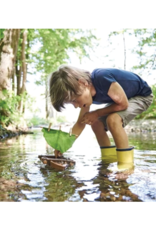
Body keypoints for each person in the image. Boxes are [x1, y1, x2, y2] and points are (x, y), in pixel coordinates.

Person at [49, 65, 153, 167]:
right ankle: (109, 159)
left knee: (113, 119)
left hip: (141, 96)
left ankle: (126, 164)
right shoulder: (86, 94)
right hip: (124, 99)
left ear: (82, 83)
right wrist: (64, 144)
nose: (76, 106)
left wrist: (97, 113)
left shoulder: (101, 77)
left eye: (75, 100)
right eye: (72, 103)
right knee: (95, 123)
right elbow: (80, 123)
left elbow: (123, 104)